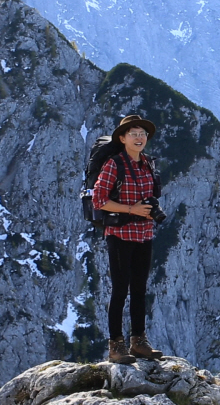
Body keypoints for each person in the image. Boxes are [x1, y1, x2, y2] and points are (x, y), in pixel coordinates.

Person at [92, 115, 163, 364]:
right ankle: (116, 345)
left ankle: (139, 341)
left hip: (144, 235)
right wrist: (132, 210)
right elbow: (98, 199)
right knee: (120, 290)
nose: (139, 137)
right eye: (133, 133)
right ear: (122, 138)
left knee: (140, 290)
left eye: (142, 133)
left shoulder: (148, 164)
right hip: (120, 235)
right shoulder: (114, 164)